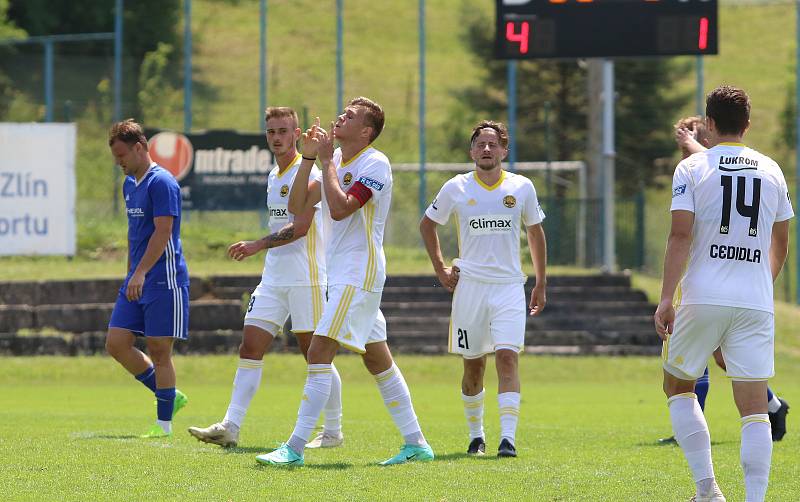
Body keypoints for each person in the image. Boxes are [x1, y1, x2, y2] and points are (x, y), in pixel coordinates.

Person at [255, 97, 434, 467]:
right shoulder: (335, 160)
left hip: (360, 273)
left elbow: (339, 209)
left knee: (319, 353)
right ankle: (417, 443)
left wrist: (323, 162)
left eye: (349, 117)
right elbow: (297, 206)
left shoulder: (375, 163)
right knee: (378, 360)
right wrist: (307, 158)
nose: (340, 117)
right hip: (343, 276)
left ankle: (294, 448)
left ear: (366, 131)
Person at [655, 86, 793, 502]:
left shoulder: (694, 167)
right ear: (747, 125)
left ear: (709, 124)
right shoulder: (772, 169)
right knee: (754, 408)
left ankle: (708, 491)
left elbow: (681, 234)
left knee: (677, 388)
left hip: (703, 295)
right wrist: (759, 282)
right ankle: (754, 498)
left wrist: (665, 298)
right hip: (754, 299)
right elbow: (782, 239)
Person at [187, 107, 343, 449]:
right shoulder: (274, 175)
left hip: (307, 278)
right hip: (274, 278)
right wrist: (263, 247)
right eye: (271, 131)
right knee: (250, 345)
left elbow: (300, 228)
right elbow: (281, 225)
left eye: (283, 131)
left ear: (297, 133)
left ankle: (333, 431)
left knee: (315, 356)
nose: (276, 137)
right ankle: (231, 425)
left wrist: (258, 244)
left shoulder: (312, 175)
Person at [419, 120, 547, 458]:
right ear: (471, 151)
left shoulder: (522, 187)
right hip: (470, 288)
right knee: (473, 367)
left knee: (507, 358)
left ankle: (508, 439)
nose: (486, 149)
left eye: (493, 144)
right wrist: (440, 268)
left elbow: (535, 234)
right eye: (480, 144)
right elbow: (427, 225)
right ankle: (476, 435)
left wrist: (541, 281)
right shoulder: (456, 187)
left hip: (508, 287)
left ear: (504, 150)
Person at [106, 119, 190, 438]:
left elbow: (164, 231)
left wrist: (141, 271)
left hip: (164, 279)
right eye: (116, 158)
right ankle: (168, 393)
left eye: (122, 156)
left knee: (158, 349)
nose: (119, 163)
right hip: (137, 278)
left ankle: (163, 425)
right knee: (116, 343)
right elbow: (134, 235)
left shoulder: (162, 182)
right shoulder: (129, 185)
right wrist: (131, 273)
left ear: (140, 148)